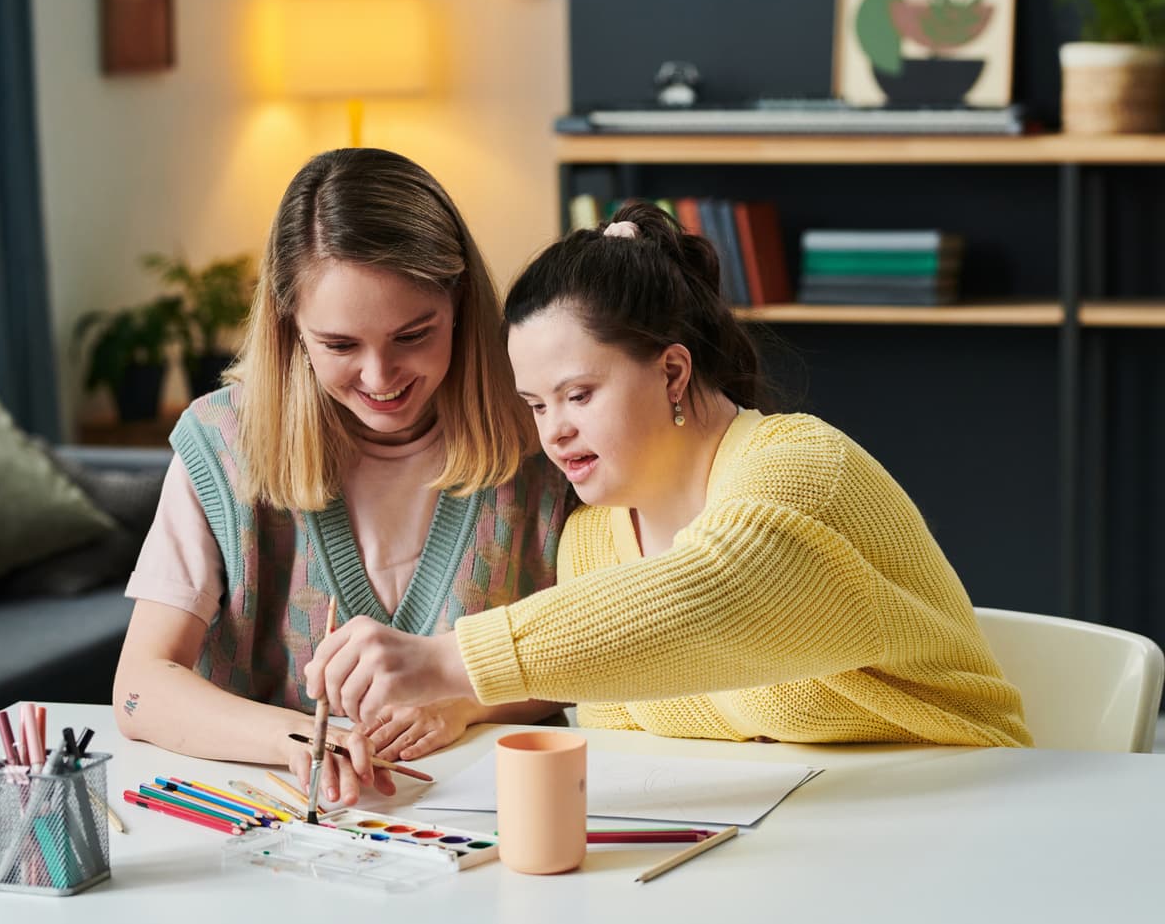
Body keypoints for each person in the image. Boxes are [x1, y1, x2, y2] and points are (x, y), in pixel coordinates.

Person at [303, 200, 1033, 749]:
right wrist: (465, 704)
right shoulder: (590, 543)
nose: (553, 430)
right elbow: (633, 747)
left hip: (975, 811)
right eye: (535, 404)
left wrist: (450, 660)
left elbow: (717, 591)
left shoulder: (800, 468)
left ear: (673, 370)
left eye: (579, 394)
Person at [114, 148, 573, 805]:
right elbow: (139, 687)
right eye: (340, 345)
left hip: (498, 817)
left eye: (414, 334)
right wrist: (296, 739)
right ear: (290, 327)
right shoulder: (221, 443)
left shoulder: (544, 430)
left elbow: (608, 649)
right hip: (278, 829)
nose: (382, 378)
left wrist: (467, 702)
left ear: (461, 302)